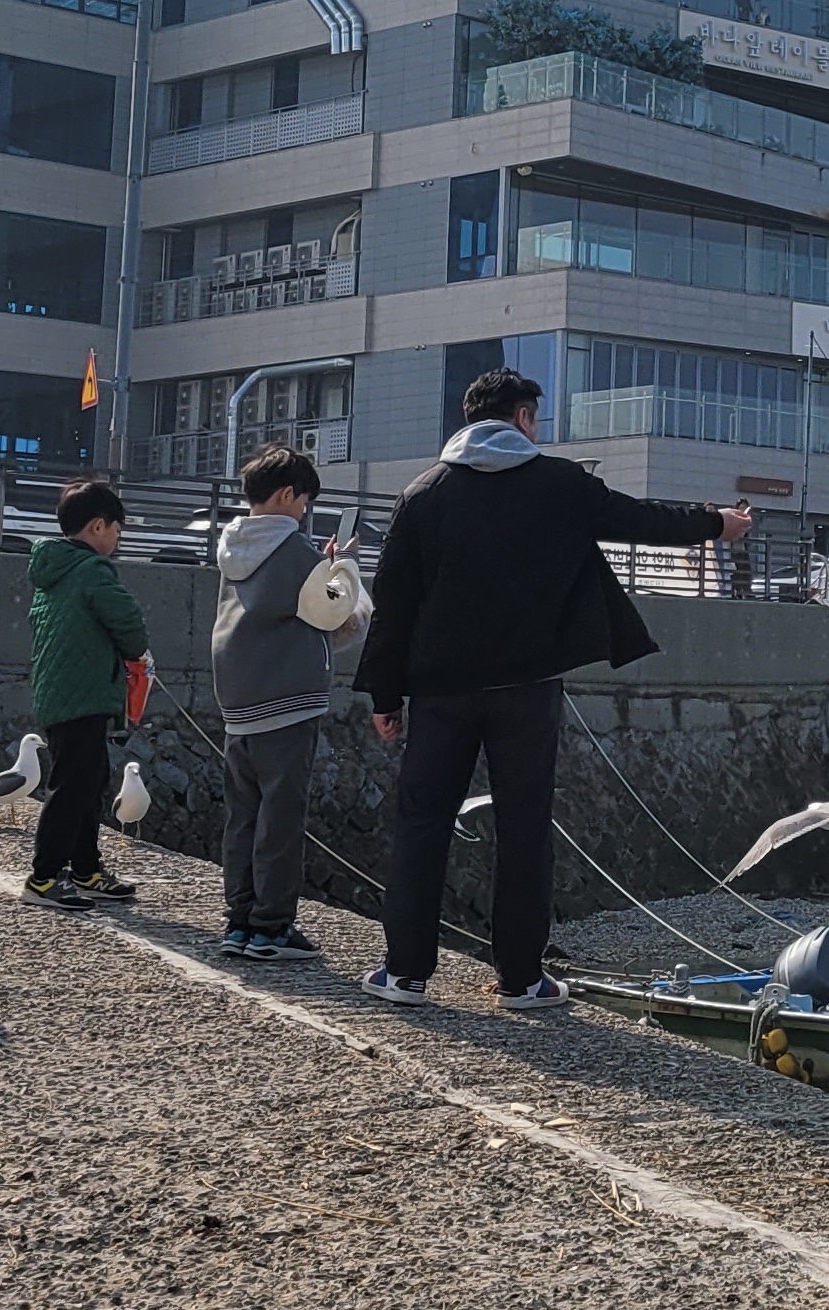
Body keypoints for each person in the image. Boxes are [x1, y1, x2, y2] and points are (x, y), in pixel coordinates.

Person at [356, 367, 748, 1010]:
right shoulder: (559, 482)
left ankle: (404, 974)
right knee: (525, 827)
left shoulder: (423, 493)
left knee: (422, 823)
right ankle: (521, 980)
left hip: (441, 691)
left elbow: (393, 602)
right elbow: (638, 518)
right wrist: (716, 524)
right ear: (522, 418)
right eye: (535, 418)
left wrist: (384, 696)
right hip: (528, 689)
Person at [211, 441, 358, 962]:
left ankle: (239, 920)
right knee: (281, 814)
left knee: (243, 815)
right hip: (287, 700)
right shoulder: (293, 550)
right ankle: (271, 929)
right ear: (288, 494)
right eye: (304, 501)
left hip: (238, 698)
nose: (304, 511)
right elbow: (337, 615)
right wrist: (344, 569)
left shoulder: (233, 545)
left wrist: (323, 568)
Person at [24, 478, 151, 910]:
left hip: (58, 693)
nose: (118, 539)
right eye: (117, 529)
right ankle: (43, 877)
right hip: (84, 696)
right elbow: (129, 624)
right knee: (72, 787)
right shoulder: (93, 570)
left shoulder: (52, 573)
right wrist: (138, 653)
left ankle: (85, 869)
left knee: (89, 781)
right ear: (98, 526)